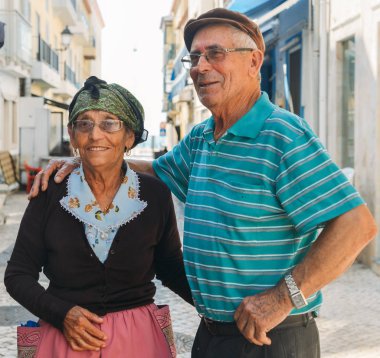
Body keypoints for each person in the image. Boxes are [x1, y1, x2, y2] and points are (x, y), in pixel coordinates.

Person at [29, 8, 378, 358]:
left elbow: (356, 225)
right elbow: (152, 172)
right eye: (195, 57)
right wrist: (89, 157)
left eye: (215, 54)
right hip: (213, 334)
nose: (200, 67)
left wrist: (282, 298)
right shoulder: (202, 138)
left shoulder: (282, 135)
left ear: (254, 62)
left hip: (268, 337)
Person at [5, 76, 192, 357]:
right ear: (73, 135)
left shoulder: (154, 195)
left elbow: (170, 267)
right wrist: (62, 314)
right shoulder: (50, 193)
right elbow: (18, 274)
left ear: (129, 136)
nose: (95, 135)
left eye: (109, 123)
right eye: (84, 124)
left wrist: (222, 310)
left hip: (138, 342)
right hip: (65, 340)